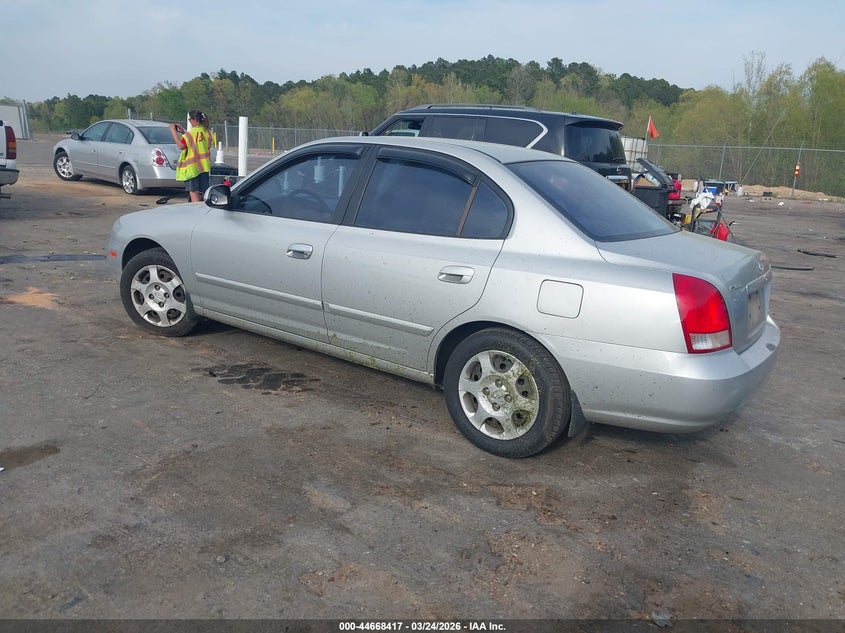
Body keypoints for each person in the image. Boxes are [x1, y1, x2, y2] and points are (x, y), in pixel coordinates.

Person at [170, 111, 212, 202]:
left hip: (192, 168)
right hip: (204, 167)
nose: (189, 121)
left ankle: (196, 212)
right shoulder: (207, 132)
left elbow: (181, 146)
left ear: (194, 120)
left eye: (190, 119)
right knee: (204, 191)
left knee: (194, 192)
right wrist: (183, 132)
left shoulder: (190, 134)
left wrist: (173, 132)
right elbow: (201, 144)